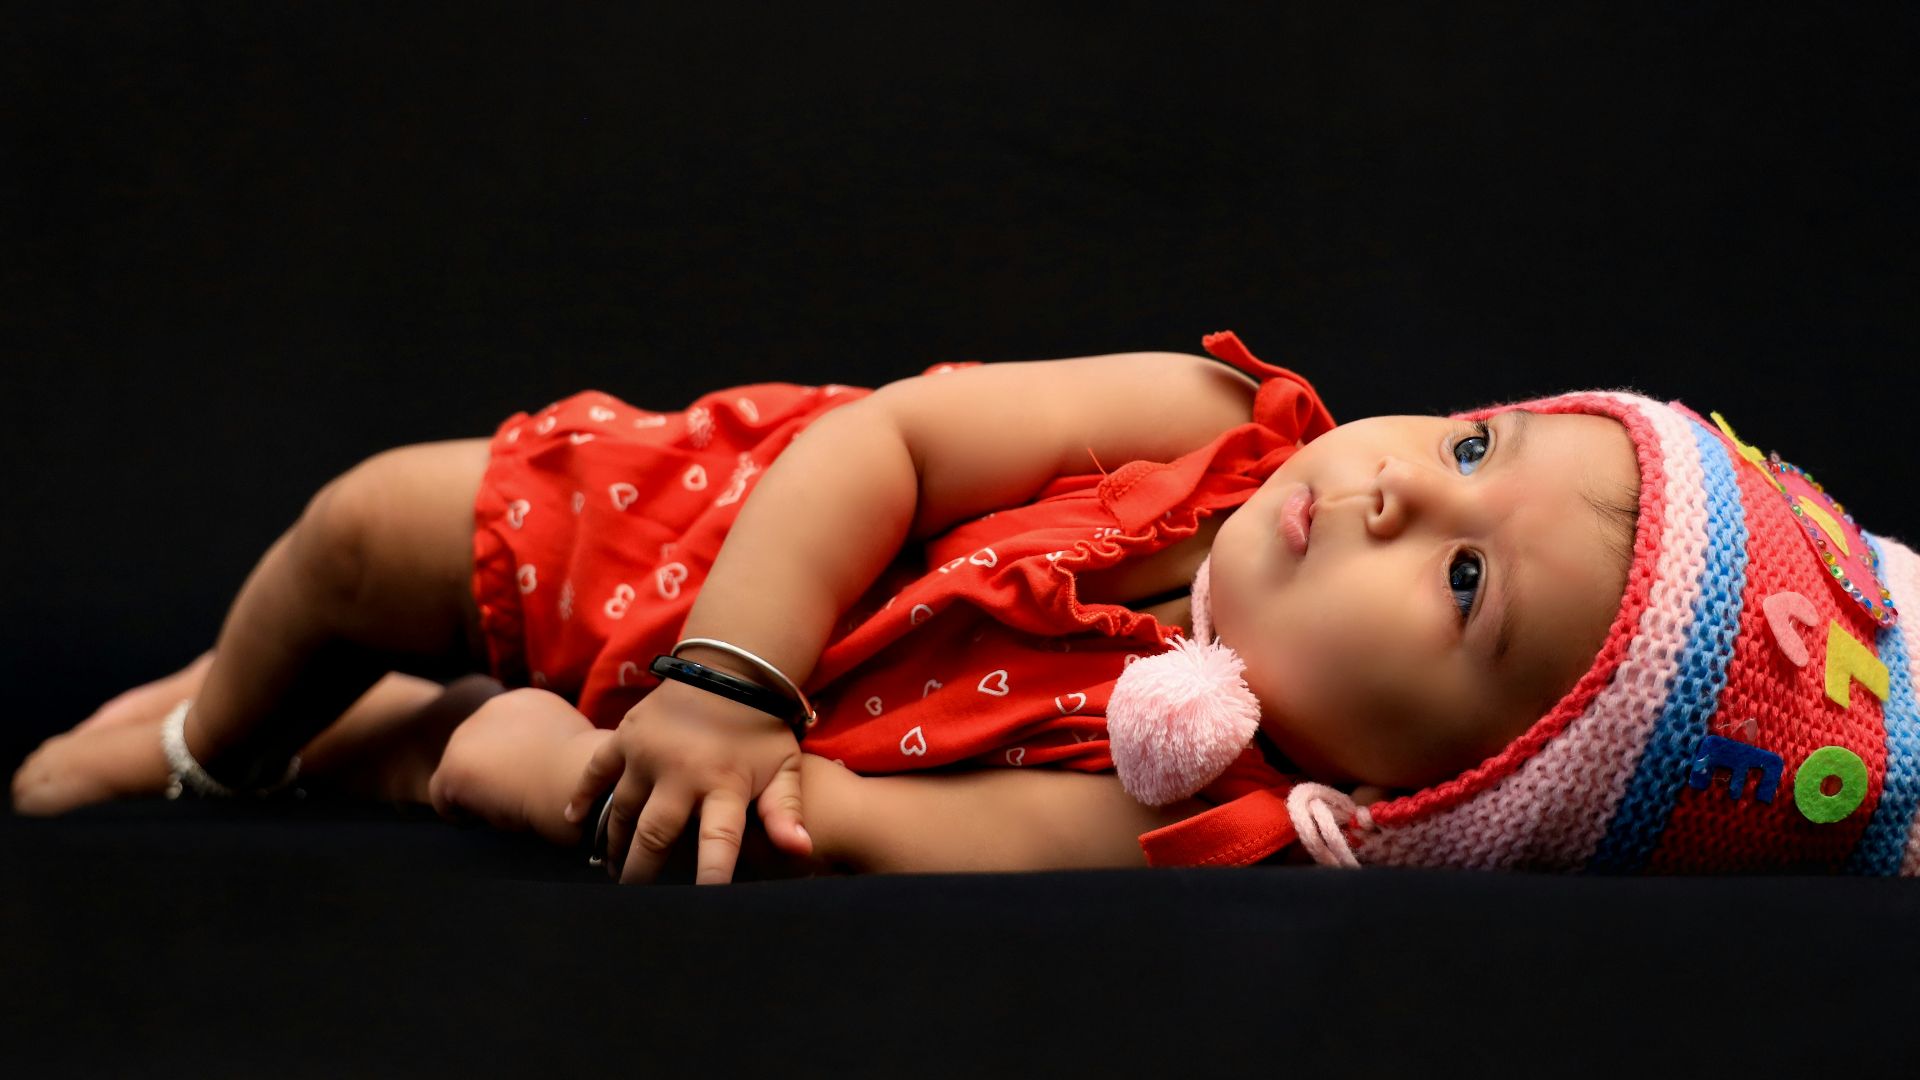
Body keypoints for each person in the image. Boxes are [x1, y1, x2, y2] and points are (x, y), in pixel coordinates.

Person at [15, 331, 1918, 881]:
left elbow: (841, 833)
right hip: (727, 557)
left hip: (684, 760)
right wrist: (731, 668)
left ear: (1430, 792)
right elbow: (896, 449)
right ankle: (211, 725)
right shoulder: (1214, 425)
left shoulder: (1176, 809)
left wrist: (591, 765)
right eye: (1485, 446)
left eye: (1470, 584)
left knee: (465, 753)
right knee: (367, 534)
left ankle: (296, 759)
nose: (1412, 485)